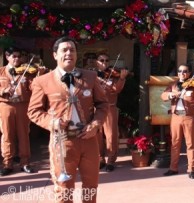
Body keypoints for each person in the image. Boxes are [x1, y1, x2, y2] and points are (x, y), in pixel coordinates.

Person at [27, 36, 109, 203]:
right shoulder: (42, 81)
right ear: (55, 55)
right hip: (62, 141)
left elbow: (103, 105)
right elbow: (33, 111)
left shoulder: (90, 77)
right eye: (64, 50)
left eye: (72, 50)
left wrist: (95, 124)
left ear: (76, 55)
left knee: (90, 188)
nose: (68, 53)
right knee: (64, 190)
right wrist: (52, 123)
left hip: (89, 139)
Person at [0, 47, 43, 176]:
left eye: (18, 56)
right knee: (7, 134)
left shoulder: (26, 72)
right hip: (6, 106)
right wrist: (3, 91)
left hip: (22, 106)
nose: (17, 59)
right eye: (14, 56)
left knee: (24, 134)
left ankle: (25, 163)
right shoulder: (1, 72)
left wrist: (39, 74)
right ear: (7, 57)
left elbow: (34, 87)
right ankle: (7, 163)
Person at [161, 64, 194, 179]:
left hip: (189, 117)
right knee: (175, 143)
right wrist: (172, 95)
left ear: (189, 73)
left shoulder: (193, 86)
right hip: (176, 117)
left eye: (185, 71)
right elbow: (163, 95)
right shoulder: (173, 85)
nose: (182, 73)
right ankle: (173, 168)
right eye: (180, 71)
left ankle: (191, 169)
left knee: (191, 144)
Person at [94, 53, 129, 172]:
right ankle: (100, 159)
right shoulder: (92, 75)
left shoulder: (113, 76)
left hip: (110, 107)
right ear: (96, 62)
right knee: (96, 135)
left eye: (106, 60)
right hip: (96, 108)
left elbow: (117, 90)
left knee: (111, 135)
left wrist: (122, 78)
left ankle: (110, 160)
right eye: (101, 60)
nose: (104, 62)